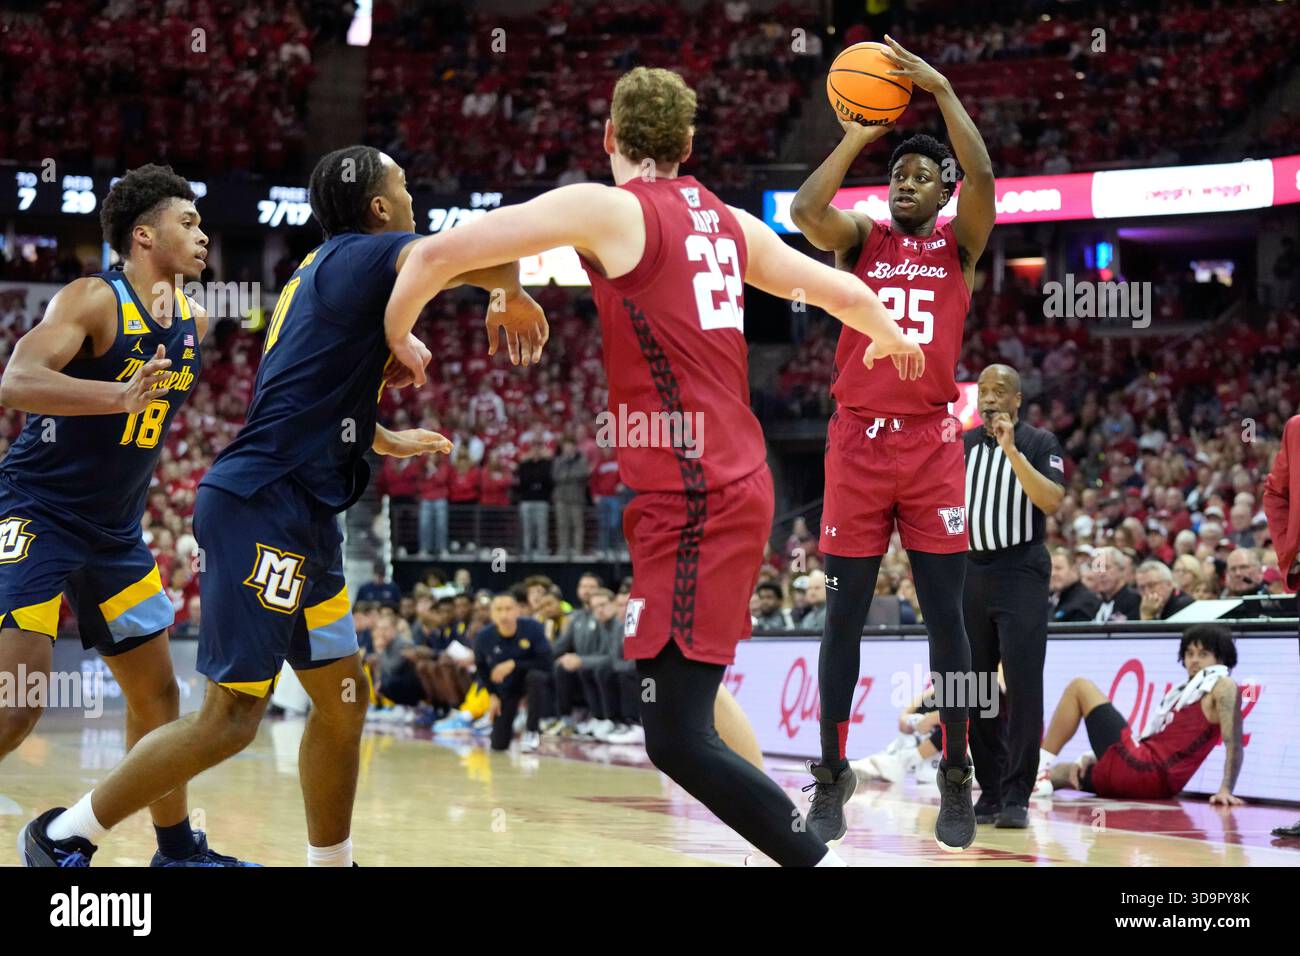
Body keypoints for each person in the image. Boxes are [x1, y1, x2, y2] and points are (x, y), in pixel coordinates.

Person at [383, 67, 922, 866]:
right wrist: (892, 333)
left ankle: (819, 856)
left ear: (609, 137)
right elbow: (836, 289)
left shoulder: (608, 206)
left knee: (671, 736)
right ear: (691, 145)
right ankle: (791, 830)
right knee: (692, 701)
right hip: (725, 480)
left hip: (696, 489)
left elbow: (435, 254)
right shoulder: (728, 221)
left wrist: (397, 338)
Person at [21, 146, 545, 868]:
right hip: (261, 506)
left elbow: (299, 395)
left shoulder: (325, 271)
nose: (415, 199)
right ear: (381, 209)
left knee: (344, 697)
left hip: (305, 512)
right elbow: (486, 244)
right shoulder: (366, 255)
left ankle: (331, 863)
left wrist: (377, 434)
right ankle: (64, 833)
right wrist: (506, 289)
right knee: (233, 716)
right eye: (403, 187)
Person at [4, 164, 249, 866]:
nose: (203, 235)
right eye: (189, 222)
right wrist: (114, 398)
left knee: (161, 697)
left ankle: (175, 849)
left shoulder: (197, 322)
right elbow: (16, 381)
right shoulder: (93, 298)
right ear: (144, 237)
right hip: (36, 512)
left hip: (114, 533)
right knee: (16, 706)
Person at [790, 35, 996, 851]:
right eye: (898, 175)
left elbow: (983, 176)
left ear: (942, 189)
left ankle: (956, 773)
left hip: (933, 445)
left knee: (949, 618)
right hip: (858, 444)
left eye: (921, 175)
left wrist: (943, 91)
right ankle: (832, 773)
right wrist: (856, 133)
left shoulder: (961, 246)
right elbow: (806, 213)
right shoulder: (861, 239)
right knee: (842, 621)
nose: (905, 183)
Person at [962, 363, 1065, 829]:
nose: (989, 397)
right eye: (983, 390)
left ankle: (1019, 792)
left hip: (1020, 568)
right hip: (971, 570)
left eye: (999, 390)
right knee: (976, 685)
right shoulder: (962, 446)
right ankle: (991, 787)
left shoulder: (1040, 443)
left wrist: (1010, 451)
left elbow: (1051, 501)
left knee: (1022, 684)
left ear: (1017, 400)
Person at [1039, 625, 1244, 805]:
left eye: (1203, 654)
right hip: (1148, 781)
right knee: (1069, 771)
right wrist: (1094, 755)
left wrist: (1226, 789)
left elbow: (1233, 741)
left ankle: (1037, 764)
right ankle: (1026, 782)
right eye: (1190, 654)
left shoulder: (1222, 685)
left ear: (1221, 658)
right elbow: (1149, 737)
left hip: (1144, 770)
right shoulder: (1183, 693)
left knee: (1080, 687)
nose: (1194, 660)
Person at [475, 591, 554, 752]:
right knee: (498, 744)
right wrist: (492, 695)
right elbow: (481, 668)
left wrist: (513, 664)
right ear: (491, 614)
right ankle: (513, 718)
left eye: (508, 609)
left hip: (533, 680)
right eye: (499, 609)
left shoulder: (533, 628)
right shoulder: (483, 637)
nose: (504, 614)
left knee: (535, 677)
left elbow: (546, 663)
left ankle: (532, 731)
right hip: (508, 687)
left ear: (517, 610)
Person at [552, 438, 591, 557]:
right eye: (566, 446)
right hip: (561, 498)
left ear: (574, 447)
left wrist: (566, 475)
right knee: (562, 525)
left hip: (576, 498)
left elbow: (584, 474)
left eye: (570, 446)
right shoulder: (558, 460)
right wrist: (570, 473)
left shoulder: (581, 460)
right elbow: (555, 476)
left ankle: (577, 550)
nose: (568, 449)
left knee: (578, 525)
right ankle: (562, 550)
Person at [1090, 547, 1141, 622]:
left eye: (1106, 567)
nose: (1101, 573)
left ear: (1121, 570)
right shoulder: (1097, 603)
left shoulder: (1134, 601)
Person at [1049, 547, 1100, 622]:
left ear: (1073, 570)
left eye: (1058, 568)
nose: (1053, 573)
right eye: (1050, 569)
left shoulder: (1085, 601)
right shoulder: (1052, 599)